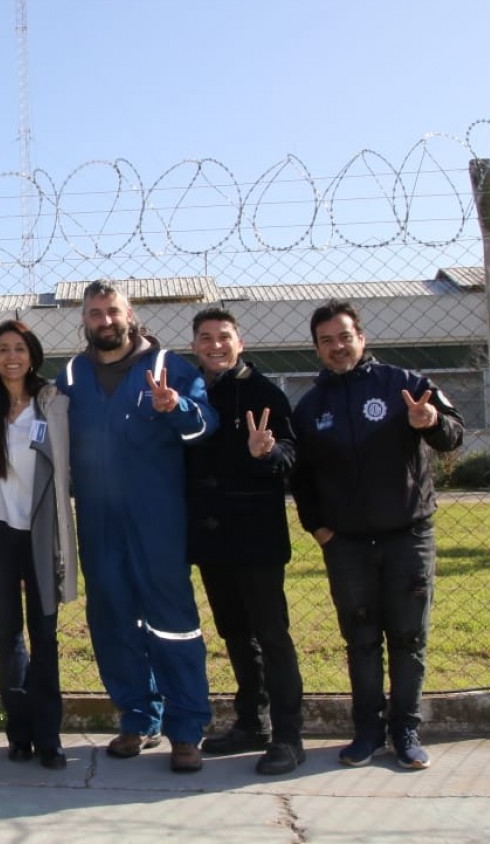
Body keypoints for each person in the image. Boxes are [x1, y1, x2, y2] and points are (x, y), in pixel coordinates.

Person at [290, 300, 463, 771]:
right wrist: (319, 529)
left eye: (344, 337)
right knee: (361, 639)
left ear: (361, 338)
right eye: (326, 341)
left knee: (408, 637)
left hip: (407, 536)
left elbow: (453, 433)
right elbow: (301, 477)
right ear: (317, 349)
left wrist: (429, 423)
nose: (337, 347)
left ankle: (405, 730)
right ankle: (367, 730)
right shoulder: (310, 407)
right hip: (346, 545)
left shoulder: (406, 385)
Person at [54, 279, 218, 773]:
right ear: (84, 320)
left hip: (156, 522)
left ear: (130, 314)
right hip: (99, 522)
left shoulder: (170, 367)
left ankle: (186, 730)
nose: (105, 320)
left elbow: (203, 427)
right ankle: (138, 717)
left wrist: (176, 408)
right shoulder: (70, 375)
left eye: (112, 311)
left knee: (173, 626)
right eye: (95, 313)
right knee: (112, 622)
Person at [186, 307, 306, 776]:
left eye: (224, 337)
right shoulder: (191, 393)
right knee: (235, 633)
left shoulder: (264, 392)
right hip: (212, 539)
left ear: (241, 343)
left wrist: (269, 451)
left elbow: (292, 455)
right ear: (194, 345)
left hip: (255, 538)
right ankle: (251, 721)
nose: (215, 345)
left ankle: (289, 736)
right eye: (206, 338)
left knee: (271, 635)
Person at [0, 319, 77, 770]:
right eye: (2, 349)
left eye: (19, 348)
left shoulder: (55, 404)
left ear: (33, 355)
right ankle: (18, 733)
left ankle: (49, 737)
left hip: (41, 533)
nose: (11, 356)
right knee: (9, 637)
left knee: (45, 635)